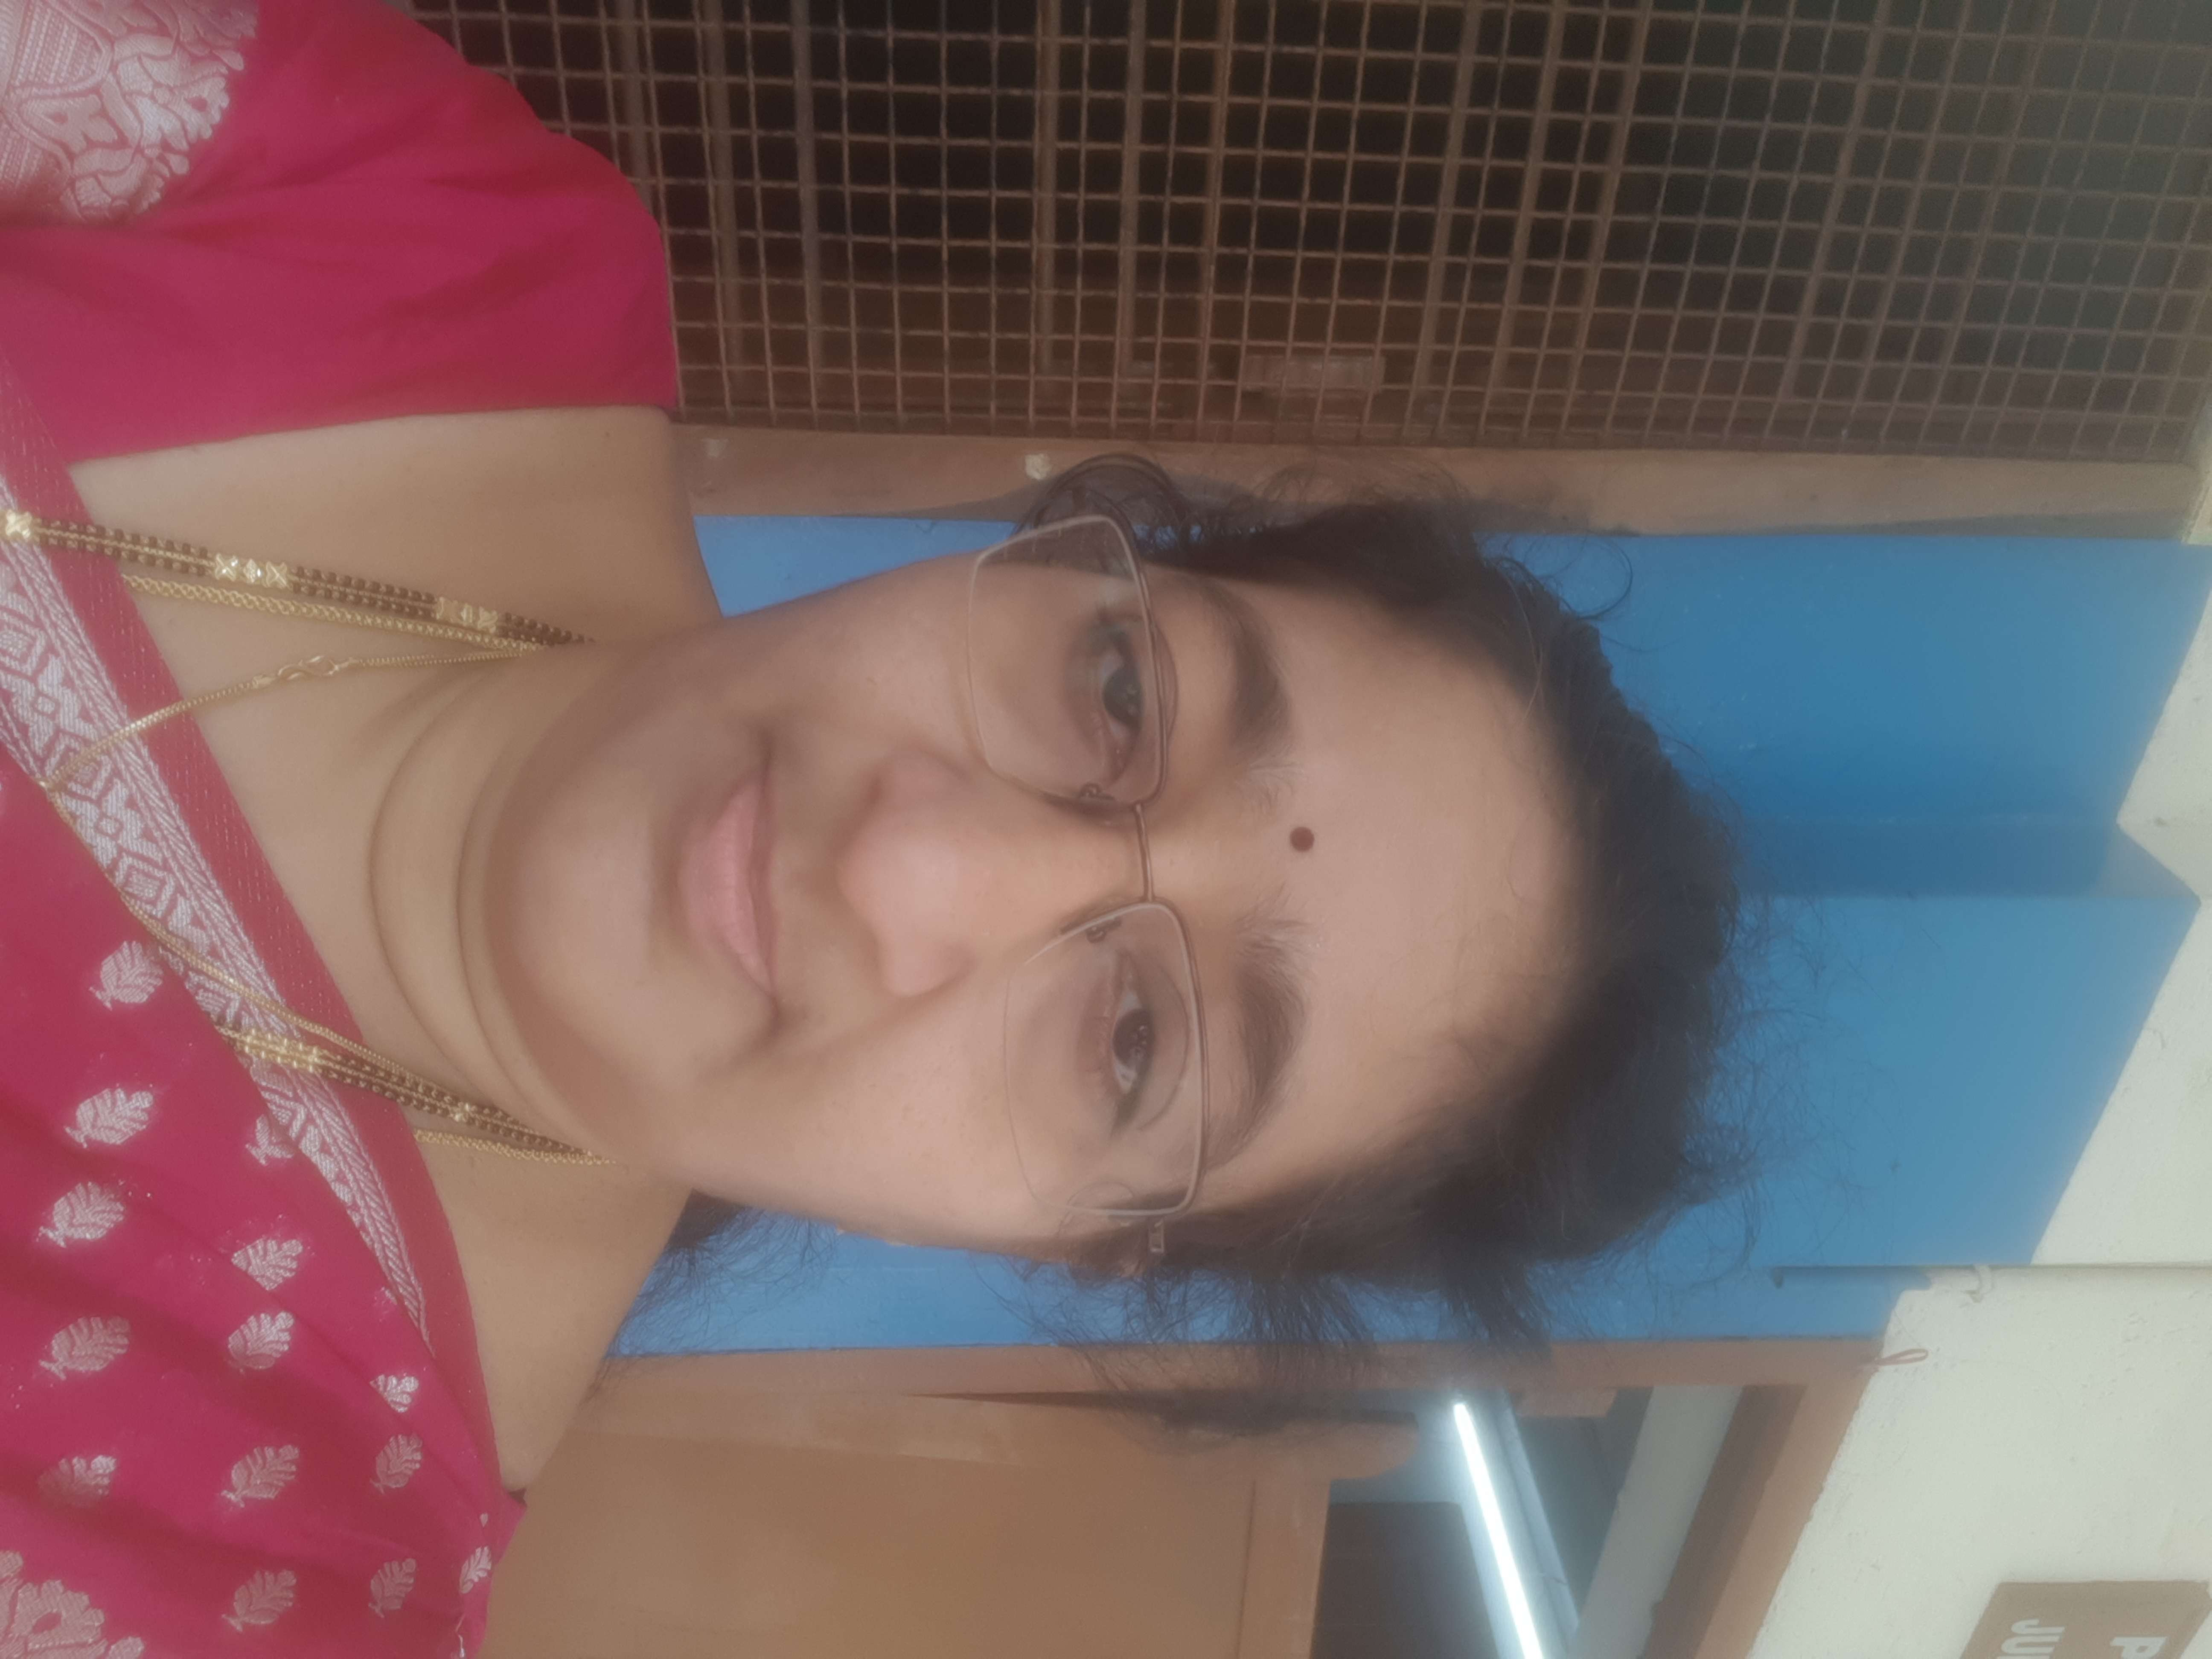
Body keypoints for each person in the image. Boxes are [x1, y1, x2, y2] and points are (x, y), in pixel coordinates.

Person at [0, 0, 1738, 1651]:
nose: (908, 865)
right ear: (1053, 553)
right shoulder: (439, 240)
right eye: (1120, 691)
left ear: (1072, 1244)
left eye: (1135, 1044)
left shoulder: (266, 1569)